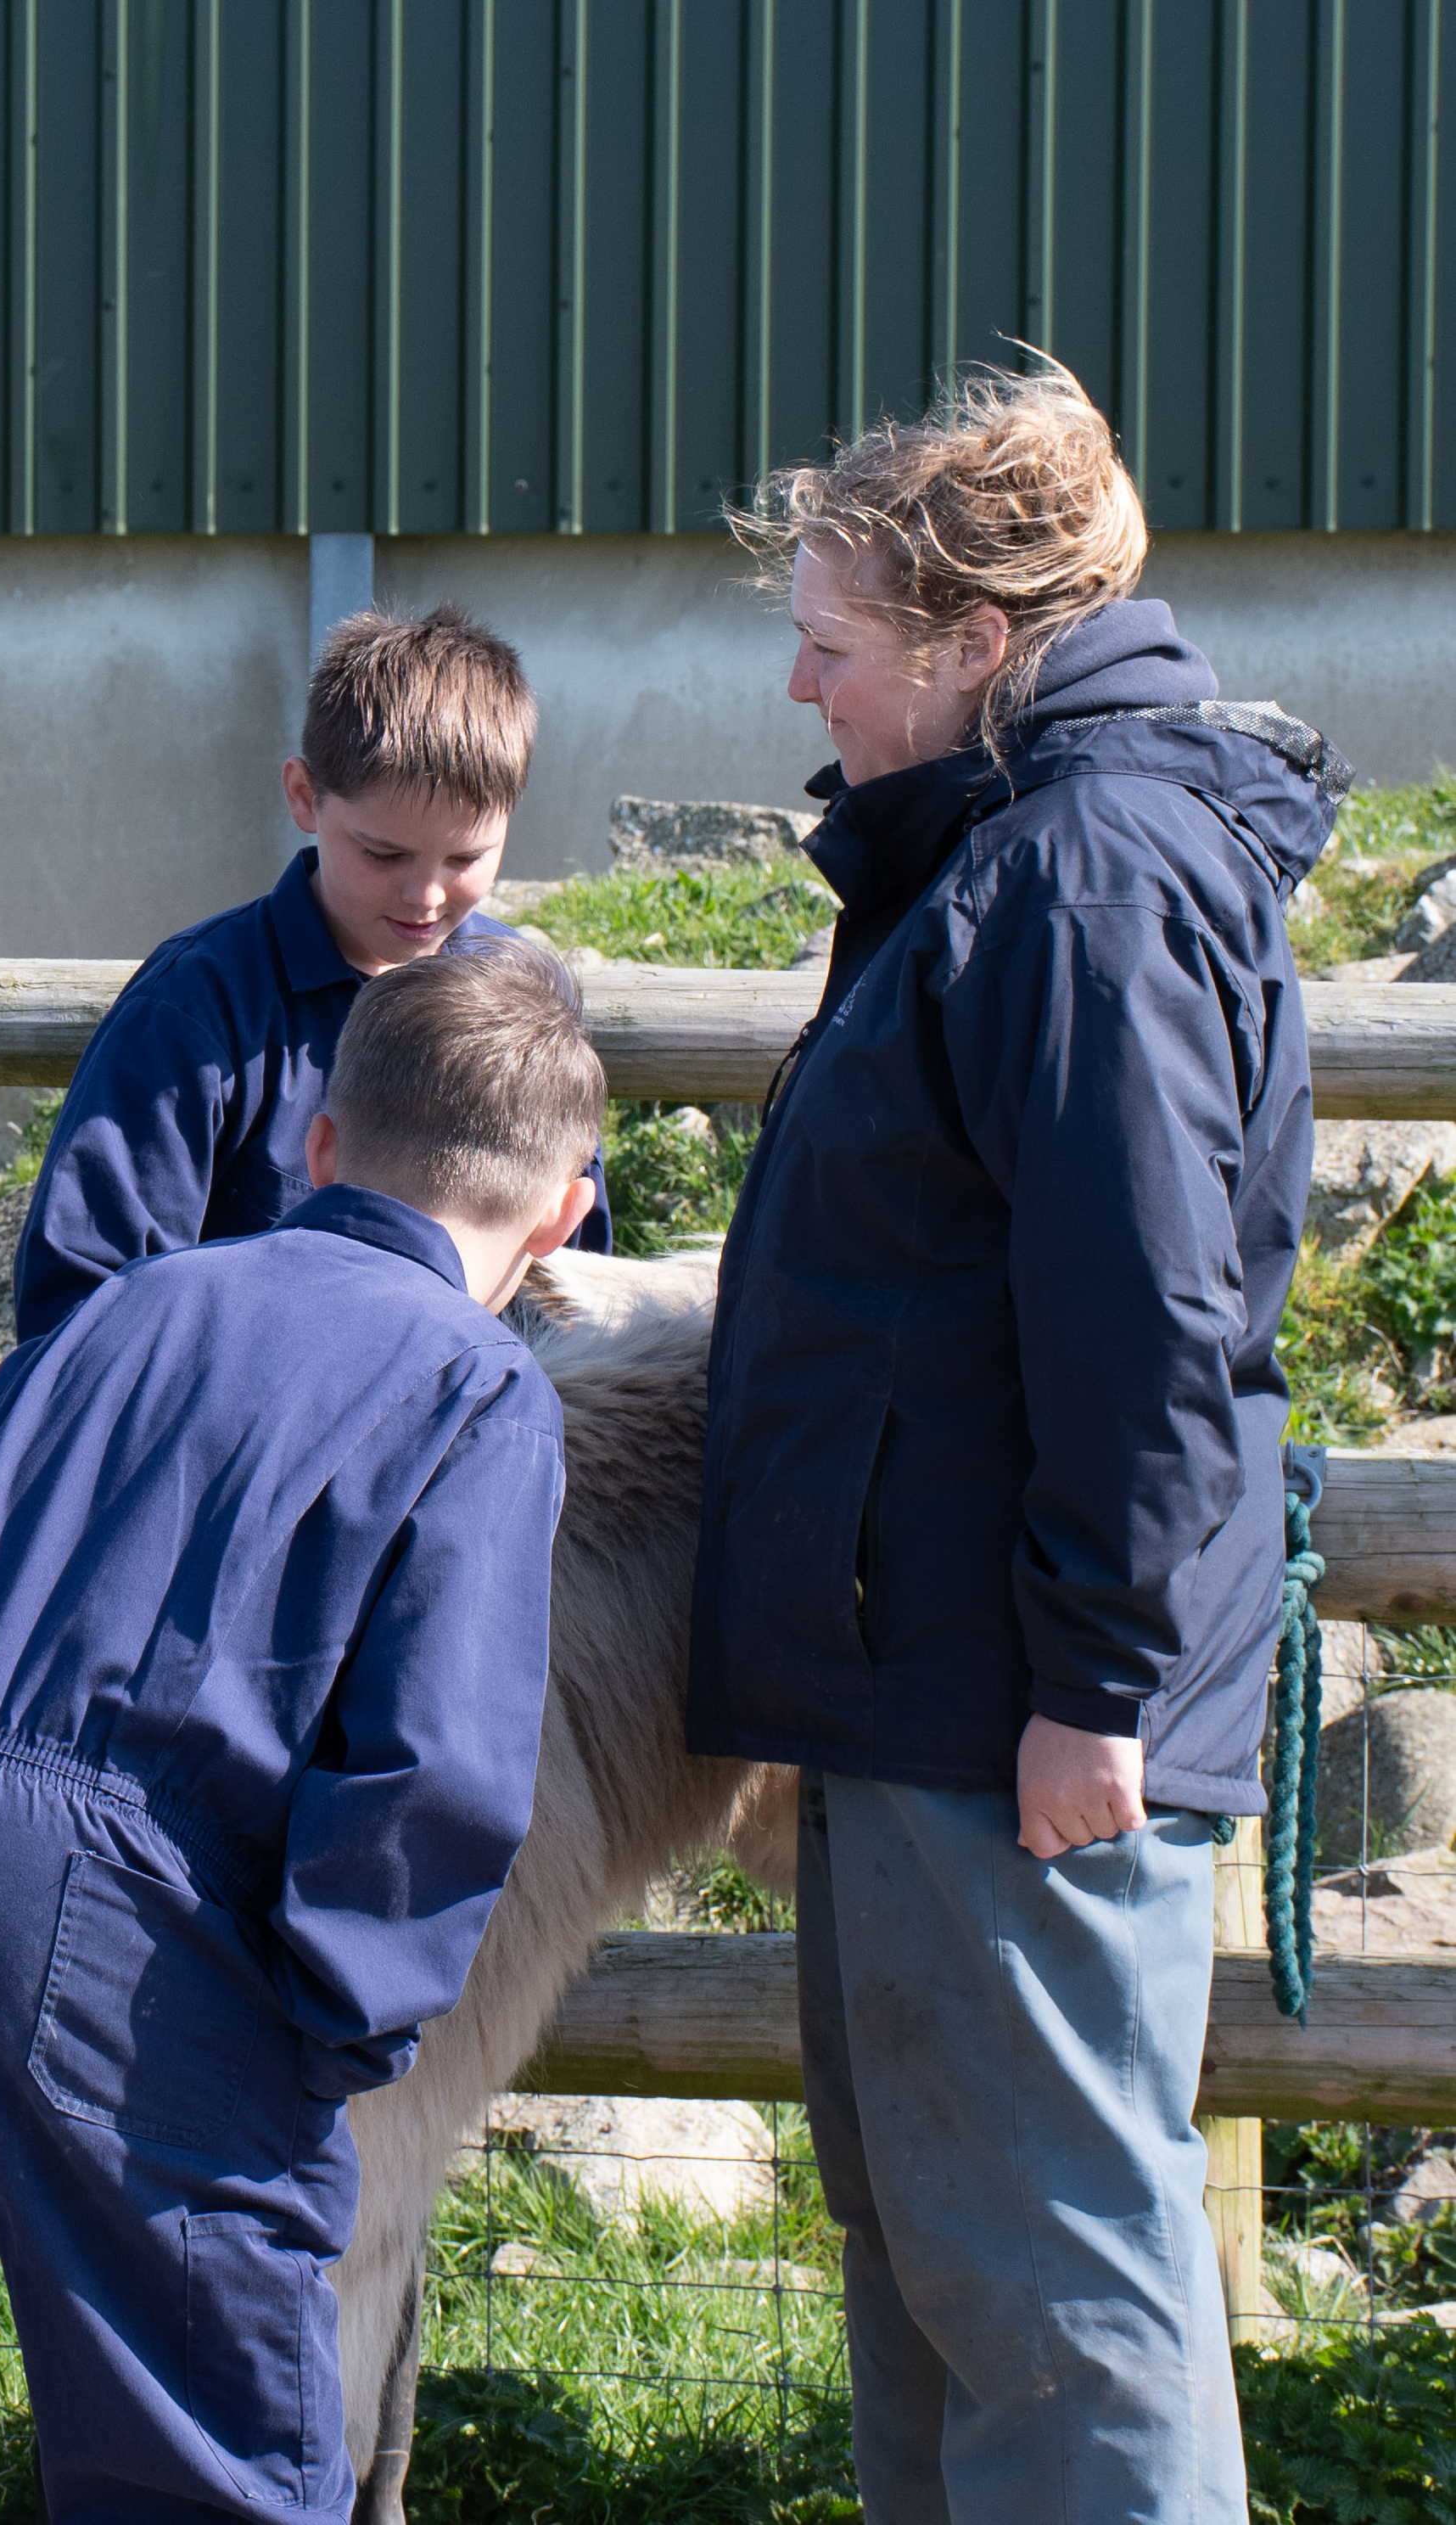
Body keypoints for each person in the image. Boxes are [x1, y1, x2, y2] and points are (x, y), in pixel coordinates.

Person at [0, 943, 604, 2522]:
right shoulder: (474, 1386)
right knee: (207, 2455)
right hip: (107, 1896)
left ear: (318, 1142)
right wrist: (328, 2034)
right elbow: (433, 1761)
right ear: (565, 1212)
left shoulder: (137, 1300)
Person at [691, 365, 1341, 2522]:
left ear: (975, 646)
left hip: (1017, 1718)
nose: (806, 685)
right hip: (940, 1687)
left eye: (836, 645)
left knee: (1054, 2279)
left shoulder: (1080, 879)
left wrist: (1095, 1685)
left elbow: (1142, 1316)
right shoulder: (1014, 851)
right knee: (944, 2251)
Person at [10, 603, 610, 1346]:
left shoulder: (526, 1005)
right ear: (303, 796)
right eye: (382, 854)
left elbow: (570, 1285)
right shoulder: (197, 1009)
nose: (424, 895)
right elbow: (84, 1295)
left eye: (465, 859)